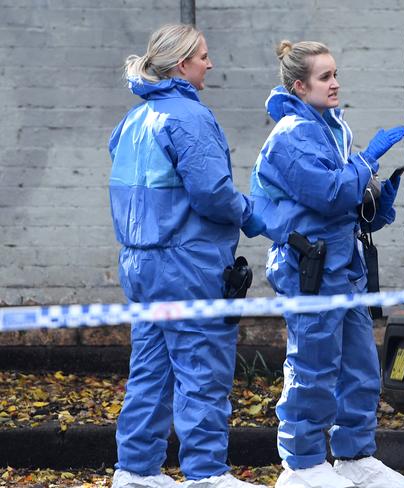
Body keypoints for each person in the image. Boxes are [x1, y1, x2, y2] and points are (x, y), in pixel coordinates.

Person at [250, 40, 404, 488]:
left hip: (343, 265)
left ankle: (354, 456)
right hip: (312, 268)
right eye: (325, 77)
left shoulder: (329, 127)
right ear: (300, 86)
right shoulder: (290, 134)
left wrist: (375, 201)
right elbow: (327, 193)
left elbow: (345, 198)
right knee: (313, 367)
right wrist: (366, 161)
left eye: (335, 73)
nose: (335, 83)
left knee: (359, 365)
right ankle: (303, 464)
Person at [108, 24, 266, 488]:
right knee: (202, 369)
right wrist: (250, 215)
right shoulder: (189, 118)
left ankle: (135, 471)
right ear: (182, 64)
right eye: (203, 57)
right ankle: (205, 474)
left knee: (150, 370)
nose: (210, 64)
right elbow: (213, 193)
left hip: (139, 263)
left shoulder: (133, 120)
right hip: (187, 262)